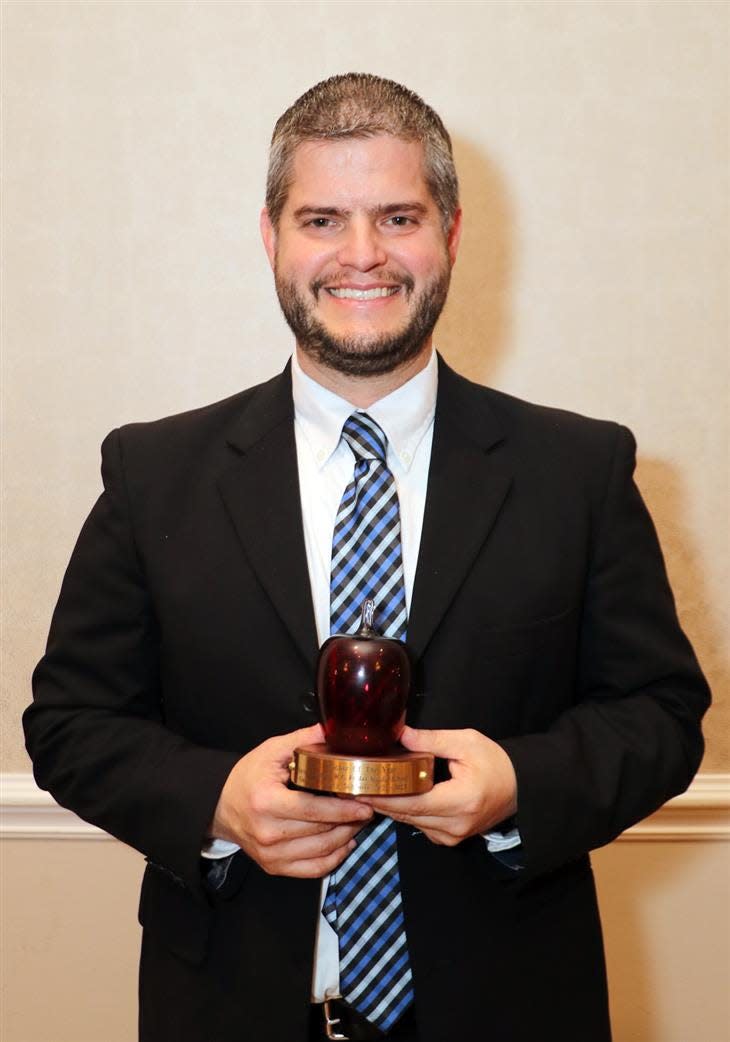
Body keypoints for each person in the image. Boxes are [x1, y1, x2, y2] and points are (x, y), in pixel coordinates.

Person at [24, 73, 710, 1042]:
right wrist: (213, 801)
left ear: (451, 235)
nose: (361, 255)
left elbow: (660, 714)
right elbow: (71, 723)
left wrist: (519, 781)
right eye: (321, 220)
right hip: (230, 1007)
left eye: (396, 217)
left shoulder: (578, 468)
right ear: (270, 237)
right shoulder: (153, 471)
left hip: (510, 1004)